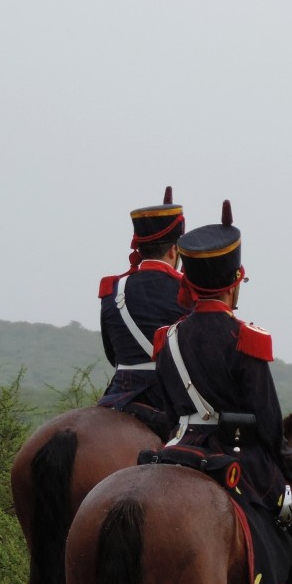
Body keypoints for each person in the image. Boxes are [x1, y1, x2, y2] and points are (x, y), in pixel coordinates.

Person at [151, 200, 292, 584]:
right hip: (239, 461)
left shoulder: (166, 339)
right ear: (235, 281)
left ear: (188, 281)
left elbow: (172, 407)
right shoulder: (247, 338)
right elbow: (271, 429)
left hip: (176, 450)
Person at [97, 187, 190, 438]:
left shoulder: (113, 289)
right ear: (174, 250)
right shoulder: (188, 292)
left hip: (118, 396)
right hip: (167, 398)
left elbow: (112, 353)